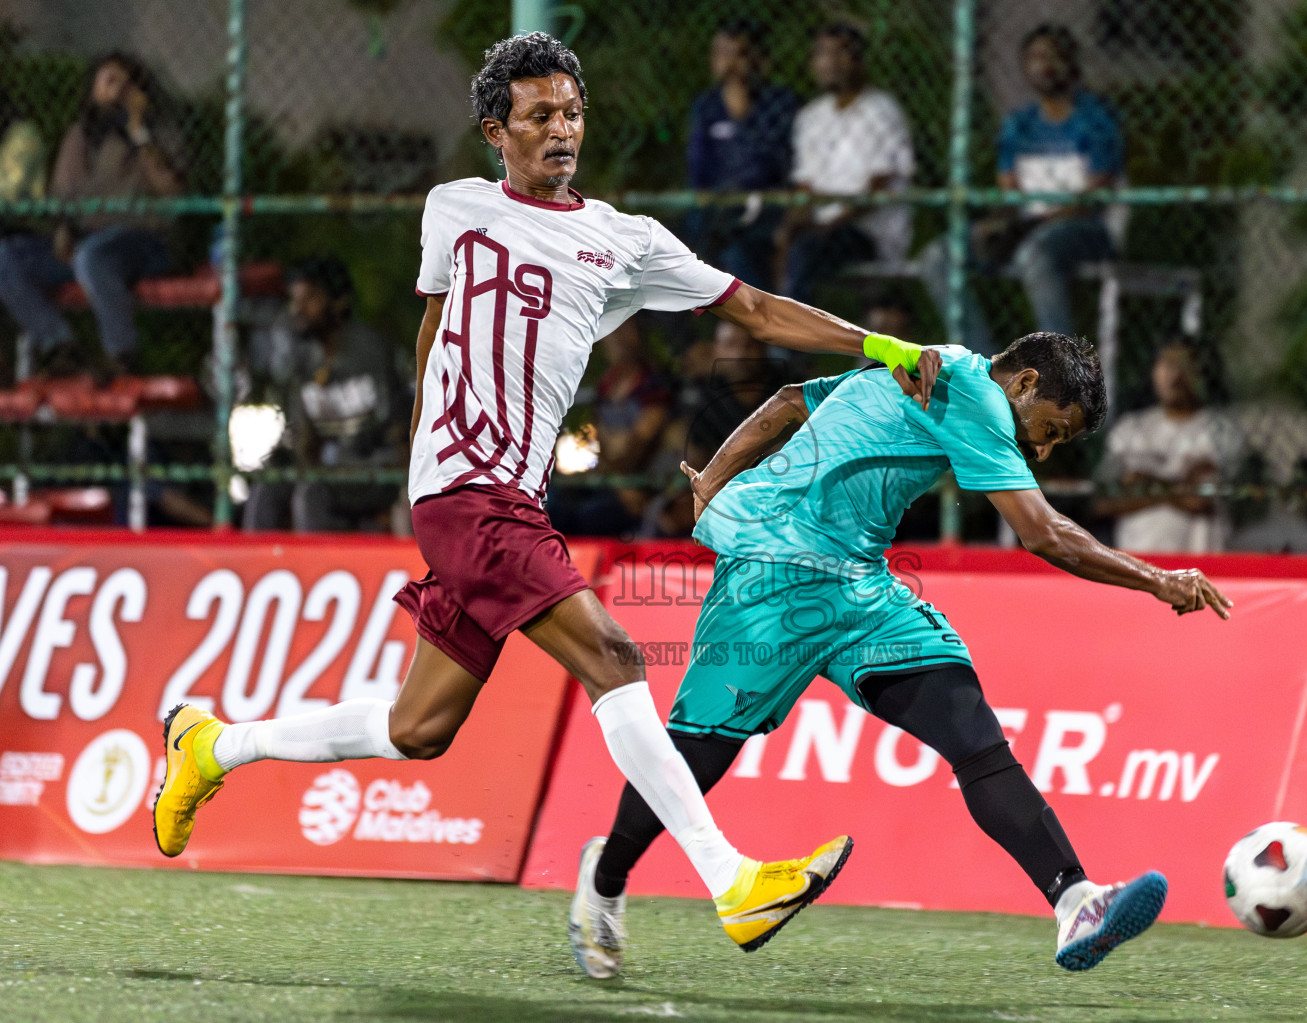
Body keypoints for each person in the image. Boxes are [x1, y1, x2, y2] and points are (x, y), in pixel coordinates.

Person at [154, 32, 941, 956]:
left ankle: (212, 747)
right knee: (614, 655)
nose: (561, 130)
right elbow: (437, 328)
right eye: (539, 117)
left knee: (419, 728)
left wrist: (884, 348)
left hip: (507, 498)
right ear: (498, 131)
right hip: (465, 494)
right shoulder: (455, 208)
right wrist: (425, 459)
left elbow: (759, 310)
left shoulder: (625, 241)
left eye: (570, 113)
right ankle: (733, 883)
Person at [567, 332, 1232, 979]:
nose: (1047, 450)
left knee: (972, 733)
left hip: (858, 584)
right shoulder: (974, 394)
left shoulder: (929, 365)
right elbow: (1043, 533)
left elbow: (793, 399)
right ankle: (603, 883)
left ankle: (1076, 901)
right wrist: (1159, 580)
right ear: (1025, 383)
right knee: (694, 759)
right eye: (1053, 428)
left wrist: (711, 479)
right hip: (771, 573)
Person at [0, 53, 184, 381]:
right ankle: (60, 346)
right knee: (8, 256)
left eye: (126, 84)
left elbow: (170, 190)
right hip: (87, 241)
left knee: (92, 256)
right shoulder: (80, 135)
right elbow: (61, 196)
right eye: (108, 81)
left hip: (140, 240)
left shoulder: (156, 133)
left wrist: (139, 131)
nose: (117, 90)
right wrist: (62, 228)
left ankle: (122, 355)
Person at [242, 256, 407, 533]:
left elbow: (399, 431)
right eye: (295, 300)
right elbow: (305, 439)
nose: (299, 309)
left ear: (338, 302)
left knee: (312, 493)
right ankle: (255, 568)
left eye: (310, 299)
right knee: (267, 490)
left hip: (377, 470)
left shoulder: (370, 351)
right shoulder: (302, 360)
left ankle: (316, 570)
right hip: (330, 475)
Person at [990, 23, 1123, 336]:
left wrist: (1042, 221)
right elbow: (1008, 188)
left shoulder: (1095, 118)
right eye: (1035, 57)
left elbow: (1096, 192)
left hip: (1086, 230)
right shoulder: (1018, 124)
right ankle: (980, 367)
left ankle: (1061, 370)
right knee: (941, 256)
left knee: (1034, 253)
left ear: (1072, 63)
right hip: (1027, 226)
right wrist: (1000, 223)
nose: (1044, 65)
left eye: (1054, 56)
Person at [780, 22, 914, 303]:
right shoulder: (811, 117)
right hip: (821, 231)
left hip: (869, 233)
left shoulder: (881, 110)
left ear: (859, 60)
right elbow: (806, 187)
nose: (829, 63)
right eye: (821, 55)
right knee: (763, 243)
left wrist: (825, 226)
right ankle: (759, 337)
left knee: (806, 251)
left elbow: (877, 188)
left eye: (838, 54)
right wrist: (790, 225)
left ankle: (787, 341)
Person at [1092, 341, 1244, 552]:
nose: (1175, 375)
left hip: (1200, 562)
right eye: (1166, 364)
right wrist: (1181, 486)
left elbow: (1199, 501)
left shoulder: (1220, 431)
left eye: (1184, 364)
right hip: (1135, 562)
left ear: (1202, 373)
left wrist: (1145, 481)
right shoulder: (1130, 429)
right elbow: (1102, 502)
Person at [684, 18, 799, 289]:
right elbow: (698, 169)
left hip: (764, 209)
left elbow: (779, 167)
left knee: (738, 252)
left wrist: (743, 111)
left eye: (741, 55)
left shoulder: (780, 104)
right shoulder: (706, 106)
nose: (731, 65)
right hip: (713, 209)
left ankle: (747, 327)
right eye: (723, 55)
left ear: (761, 60)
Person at [547, 317, 671, 537]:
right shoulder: (605, 386)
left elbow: (637, 444)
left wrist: (619, 477)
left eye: (625, 331)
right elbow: (605, 447)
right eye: (612, 332)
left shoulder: (652, 384)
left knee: (590, 516)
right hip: (613, 484)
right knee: (556, 506)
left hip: (648, 485)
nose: (617, 339)